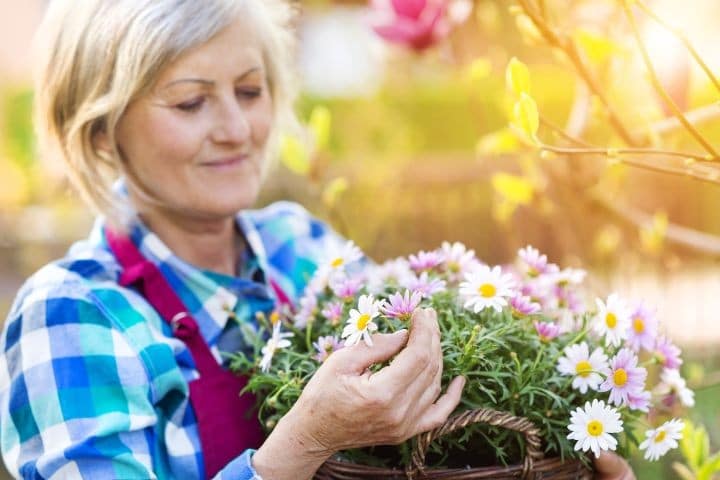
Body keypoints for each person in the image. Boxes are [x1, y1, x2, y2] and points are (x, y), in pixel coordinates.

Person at [0, 1, 635, 479]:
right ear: (101, 134)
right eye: (191, 103)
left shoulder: (295, 245)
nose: (236, 128)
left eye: (250, 92)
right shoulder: (73, 315)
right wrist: (306, 440)